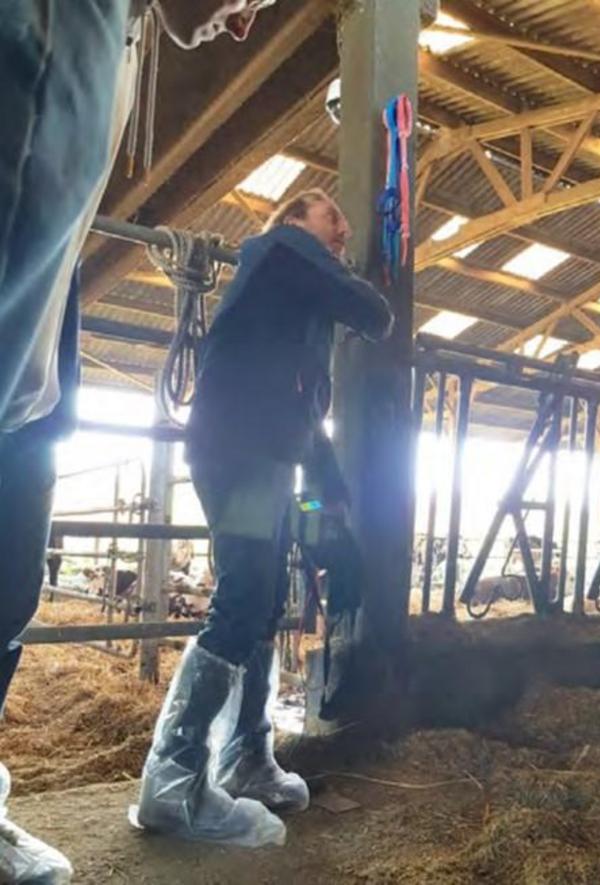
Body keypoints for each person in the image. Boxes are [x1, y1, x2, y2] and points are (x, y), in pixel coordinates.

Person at [0, 4, 271, 880]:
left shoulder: (107, 31)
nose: (243, 20)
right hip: (242, 469)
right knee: (249, 594)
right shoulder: (290, 271)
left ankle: (220, 761)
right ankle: (181, 774)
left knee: (12, 572)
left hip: (40, 377)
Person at [133, 189, 393, 846]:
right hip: (243, 453)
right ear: (295, 217)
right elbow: (375, 312)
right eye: (333, 216)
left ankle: (245, 757)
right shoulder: (281, 249)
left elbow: (309, 426)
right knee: (245, 594)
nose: (342, 230)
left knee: (266, 596)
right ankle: (174, 775)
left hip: (266, 460)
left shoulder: (295, 317)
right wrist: (366, 275)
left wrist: (328, 510)